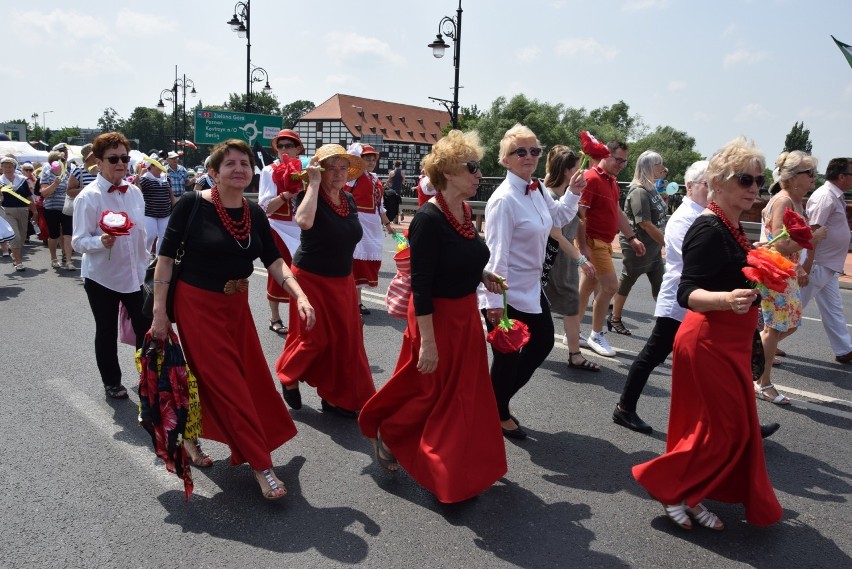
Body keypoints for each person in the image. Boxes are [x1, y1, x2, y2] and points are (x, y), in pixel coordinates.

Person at [149, 139, 315, 500]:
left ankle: (191, 435)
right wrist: (160, 314)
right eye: (230, 164)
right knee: (228, 383)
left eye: (245, 163)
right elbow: (164, 261)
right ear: (214, 172)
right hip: (198, 306)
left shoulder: (254, 212)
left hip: (237, 306)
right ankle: (260, 464)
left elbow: (273, 260)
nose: (239, 169)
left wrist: (299, 294)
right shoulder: (192, 205)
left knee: (249, 378)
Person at [632, 137, 783, 530]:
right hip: (708, 342)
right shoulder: (707, 227)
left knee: (718, 429)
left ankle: (691, 495)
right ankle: (666, 484)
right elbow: (687, 292)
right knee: (725, 430)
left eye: (759, 180)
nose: (754, 187)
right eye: (744, 179)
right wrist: (725, 299)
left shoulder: (733, 226)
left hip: (729, 342)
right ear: (718, 182)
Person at [358, 130, 508, 502]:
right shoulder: (427, 218)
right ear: (447, 172)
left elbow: (461, 256)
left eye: (478, 167)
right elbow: (422, 286)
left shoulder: (464, 211)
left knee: (462, 395)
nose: (478, 174)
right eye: (471, 167)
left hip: (463, 316)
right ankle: (391, 434)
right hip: (434, 316)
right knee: (431, 391)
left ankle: (456, 469)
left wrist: (482, 273)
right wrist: (427, 342)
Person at [479, 124, 584, 440]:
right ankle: (497, 412)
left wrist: (573, 192)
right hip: (506, 290)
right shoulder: (503, 200)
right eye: (520, 151)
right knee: (508, 356)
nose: (528, 156)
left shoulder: (536, 188)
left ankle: (493, 402)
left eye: (534, 150)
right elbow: (495, 254)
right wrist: (494, 303)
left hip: (531, 286)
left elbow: (558, 219)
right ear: (506, 159)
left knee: (543, 343)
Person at [275, 144, 377, 418]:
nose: (338, 173)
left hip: (342, 279)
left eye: (342, 167)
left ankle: (335, 398)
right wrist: (314, 184)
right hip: (311, 278)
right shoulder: (310, 195)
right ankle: (288, 374)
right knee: (314, 338)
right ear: (319, 170)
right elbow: (304, 222)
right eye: (330, 167)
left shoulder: (349, 200)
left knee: (346, 341)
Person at [71, 132, 150, 400]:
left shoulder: (135, 192)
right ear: (98, 162)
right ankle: (111, 381)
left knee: (145, 328)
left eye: (124, 158)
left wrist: (146, 262)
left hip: (135, 275)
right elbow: (79, 242)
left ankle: (146, 378)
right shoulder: (88, 197)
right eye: (113, 158)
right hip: (102, 277)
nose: (120, 163)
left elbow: (141, 232)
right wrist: (99, 241)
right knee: (105, 330)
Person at [755, 151, 826, 405]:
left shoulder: (796, 201)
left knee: (791, 323)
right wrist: (812, 237)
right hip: (775, 271)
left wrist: (799, 268)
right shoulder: (783, 201)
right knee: (774, 328)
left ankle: (757, 352)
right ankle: (763, 382)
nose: (815, 178)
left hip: (787, 272)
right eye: (810, 173)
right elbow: (778, 244)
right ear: (794, 178)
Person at [577, 141, 646, 357]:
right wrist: (583, 249)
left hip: (605, 243)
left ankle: (574, 329)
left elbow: (617, 213)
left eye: (625, 161)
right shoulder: (591, 178)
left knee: (587, 288)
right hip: (594, 243)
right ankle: (596, 334)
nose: (621, 164)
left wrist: (632, 237)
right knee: (610, 286)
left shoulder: (611, 182)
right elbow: (580, 216)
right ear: (606, 155)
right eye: (618, 159)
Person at [541, 146, 598, 371]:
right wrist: (580, 258)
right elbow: (555, 234)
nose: (582, 173)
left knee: (569, 305)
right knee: (557, 306)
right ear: (567, 171)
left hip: (565, 260)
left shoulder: (569, 195)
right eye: (577, 169)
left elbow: (577, 225)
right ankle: (573, 354)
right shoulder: (551, 197)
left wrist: (582, 247)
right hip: (551, 261)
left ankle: (574, 353)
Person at [608, 150, 668, 336]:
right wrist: (667, 243)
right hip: (639, 245)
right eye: (658, 164)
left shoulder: (652, 188)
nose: (663, 168)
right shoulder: (639, 192)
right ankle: (615, 317)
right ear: (648, 167)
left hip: (654, 247)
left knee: (661, 284)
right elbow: (645, 224)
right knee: (628, 279)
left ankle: (666, 323)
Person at [800, 157, 852, 364]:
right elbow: (812, 232)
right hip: (817, 264)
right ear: (841, 176)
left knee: (833, 309)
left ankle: (844, 349)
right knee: (792, 307)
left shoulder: (834, 195)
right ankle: (761, 340)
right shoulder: (825, 197)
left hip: (828, 265)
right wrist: (807, 266)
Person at [258, 129, 306, 337]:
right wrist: (287, 194)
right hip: (279, 227)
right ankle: (275, 317)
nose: (284, 149)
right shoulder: (269, 171)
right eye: (281, 146)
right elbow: (266, 207)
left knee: (304, 275)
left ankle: (302, 316)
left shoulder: (307, 169)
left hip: (303, 228)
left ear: (298, 149)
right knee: (278, 274)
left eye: (289, 145)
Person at [348, 144, 396, 315]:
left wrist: (388, 224)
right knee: (354, 262)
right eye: (366, 157)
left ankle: (357, 300)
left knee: (364, 264)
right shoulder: (352, 177)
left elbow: (379, 205)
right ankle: (353, 302)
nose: (370, 161)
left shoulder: (375, 179)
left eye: (372, 158)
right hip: (357, 221)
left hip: (372, 223)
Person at [40, 148, 74, 270]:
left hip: (66, 208)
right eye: (59, 160)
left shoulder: (68, 172)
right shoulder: (46, 173)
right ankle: (54, 258)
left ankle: (69, 260)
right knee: (54, 234)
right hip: (51, 208)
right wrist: (55, 184)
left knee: (68, 234)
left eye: (63, 160)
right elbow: (44, 193)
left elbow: (71, 189)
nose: (62, 163)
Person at [1, 157, 37, 271]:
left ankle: (14, 253)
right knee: (15, 236)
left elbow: (28, 196)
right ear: (1, 168)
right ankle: (18, 261)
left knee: (22, 236)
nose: (8, 169)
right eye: (5, 166)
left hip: (23, 210)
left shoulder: (22, 180)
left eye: (10, 166)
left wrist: (35, 211)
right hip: (6, 211)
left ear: (14, 167)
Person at [136, 157, 173, 256]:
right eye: (158, 165)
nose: (161, 168)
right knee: (150, 235)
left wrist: (174, 206)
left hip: (165, 213)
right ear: (151, 166)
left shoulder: (165, 178)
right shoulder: (145, 178)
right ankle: (144, 256)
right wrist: (137, 182)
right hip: (149, 213)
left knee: (164, 237)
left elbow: (170, 193)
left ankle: (158, 260)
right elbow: (139, 191)